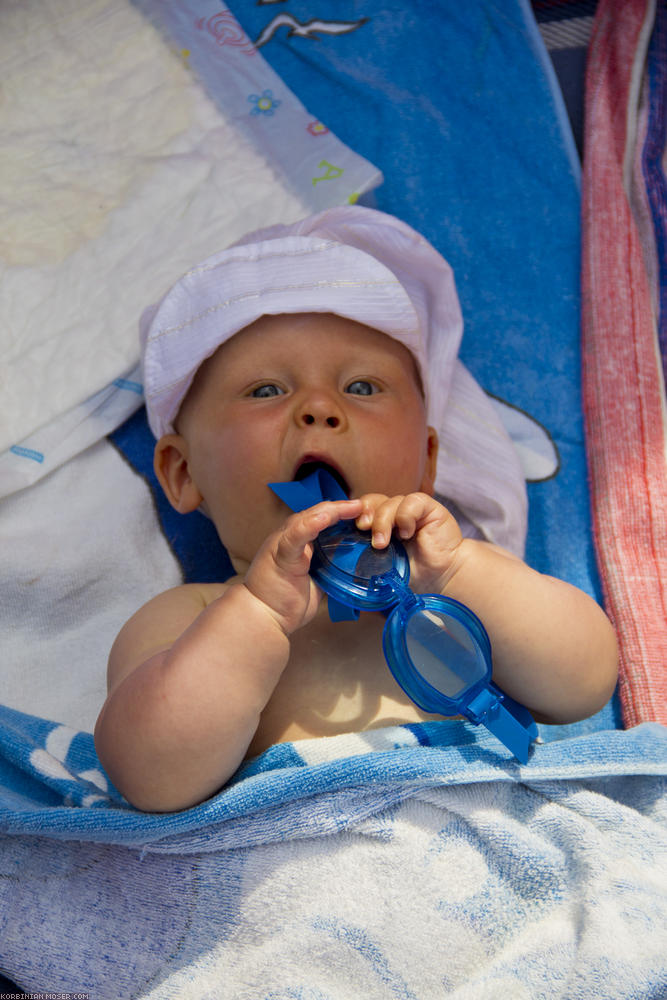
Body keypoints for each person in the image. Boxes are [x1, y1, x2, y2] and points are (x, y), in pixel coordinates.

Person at [94, 206, 618, 812]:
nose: (320, 408)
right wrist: (257, 614)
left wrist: (456, 574)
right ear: (183, 474)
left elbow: (585, 685)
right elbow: (149, 777)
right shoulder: (190, 618)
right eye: (267, 390)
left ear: (425, 461)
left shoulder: (466, 592)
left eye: (363, 387)